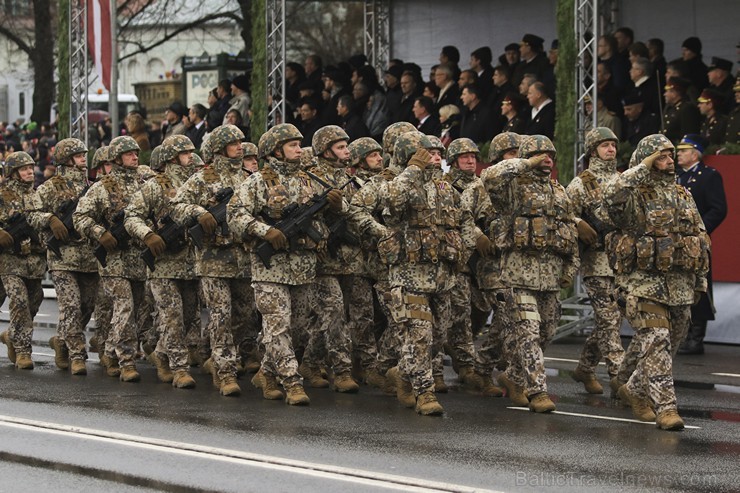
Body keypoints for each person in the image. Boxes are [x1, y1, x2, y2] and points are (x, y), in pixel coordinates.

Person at [369, 131, 484, 415]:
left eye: (437, 154)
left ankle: (403, 373)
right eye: (426, 153)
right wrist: (413, 170)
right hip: (409, 275)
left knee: (436, 338)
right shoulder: (399, 184)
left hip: (442, 277)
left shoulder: (445, 188)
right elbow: (391, 201)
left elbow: (465, 222)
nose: (434, 158)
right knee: (419, 335)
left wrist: (462, 254)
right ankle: (425, 393)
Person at [227, 123, 342, 405]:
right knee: (277, 326)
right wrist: (264, 231)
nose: (298, 150)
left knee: (298, 328)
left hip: (303, 267)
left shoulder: (311, 179)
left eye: (299, 144)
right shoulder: (257, 181)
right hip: (271, 269)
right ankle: (292, 382)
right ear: (276, 150)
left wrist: (337, 204)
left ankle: (267, 373)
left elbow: (343, 211)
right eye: (292, 145)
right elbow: (235, 214)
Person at [604, 134, 710, 431]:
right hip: (642, 284)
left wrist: (699, 280)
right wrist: (642, 167)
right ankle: (667, 409)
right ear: (647, 160)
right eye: (661, 156)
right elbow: (609, 196)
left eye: (670, 155)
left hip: (679, 286)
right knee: (657, 341)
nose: (669, 161)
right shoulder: (633, 193)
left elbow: (700, 238)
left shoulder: (682, 193)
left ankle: (635, 389)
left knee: (667, 346)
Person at [481, 135, 578, 413]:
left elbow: (569, 233)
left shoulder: (560, 192)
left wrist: (569, 271)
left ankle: (513, 376)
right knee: (529, 332)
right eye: (540, 154)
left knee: (546, 331)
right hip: (517, 275)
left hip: (550, 278)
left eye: (550, 153)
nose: (546, 158)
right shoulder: (511, 189)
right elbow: (488, 175)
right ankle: (538, 391)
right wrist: (524, 163)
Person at [170, 125, 257, 396]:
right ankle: (225, 371)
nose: (240, 146)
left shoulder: (249, 178)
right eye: (234, 143)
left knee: (245, 313)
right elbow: (176, 207)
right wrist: (199, 213)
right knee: (221, 314)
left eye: (241, 142)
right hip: (212, 258)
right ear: (220, 148)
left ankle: (211, 353)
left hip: (242, 257)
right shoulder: (201, 179)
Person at [123, 135, 201, 388]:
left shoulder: (198, 182)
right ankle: (179, 368)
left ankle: (162, 353)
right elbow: (132, 215)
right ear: (171, 157)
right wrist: (148, 234)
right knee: (172, 316)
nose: (190, 156)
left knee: (189, 315)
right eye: (185, 152)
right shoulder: (156, 185)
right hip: (164, 264)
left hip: (192, 262)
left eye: (191, 151)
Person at [73, 136, 150, 382]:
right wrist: (100, 233)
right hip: (114, 259)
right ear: (117, 159)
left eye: (136, 153)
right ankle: (126, 361)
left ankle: (109, 350)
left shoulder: (145, 184)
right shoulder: (102, 187)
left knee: (138, 310)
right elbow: (80, 217)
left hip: (139, 258)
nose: (135, 157)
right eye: (129, 154)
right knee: (124, 307)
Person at [565, 128, 625, 394]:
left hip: (621, 261)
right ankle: (620, 378)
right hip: (596, 261)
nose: (610, 150)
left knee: (611, 321)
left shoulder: (623, 180)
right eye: (604, 146)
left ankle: (585, 368)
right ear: (592, 151)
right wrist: (578, 222)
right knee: (609, 318)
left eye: (613, 145)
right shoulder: (581, 183)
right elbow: (562, 214)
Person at [34, 138, 98, 376]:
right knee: (70, 306)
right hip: (62, 258)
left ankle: (62, 340)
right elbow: (32, 212)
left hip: (89, 258)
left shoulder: (92, 186)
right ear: (66, 159)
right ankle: (77, 354)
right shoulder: (51, 187)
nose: (84, 158)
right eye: (79, 155)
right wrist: (49, 220)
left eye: (84, 154)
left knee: (87, 306)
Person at [674, 134, 727, 355]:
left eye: (682, 151)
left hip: (695, 241)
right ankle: (683, 334)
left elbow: (718, 209)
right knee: (680, 286)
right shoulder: (676, 177)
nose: (678, 154)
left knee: (699, 287)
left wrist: (699, 230)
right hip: (675, 242)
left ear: (695, 153)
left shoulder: (708, 176)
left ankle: (696, 337)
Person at [0, 152, 47, 370]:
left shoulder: (37, 195)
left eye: (31, 167)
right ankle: (22, 350)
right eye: (24, 168)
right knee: (18, 301)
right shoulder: (2, 194)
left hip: (34, 262)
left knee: (34, 301)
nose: (30, 172)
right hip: (9, 260)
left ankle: (12, 335)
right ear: (13, 173)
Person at [662, 77, 701, 144]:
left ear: (674, 93)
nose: (664, 94)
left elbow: (687, 133)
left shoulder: (687, 109)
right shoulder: (669, 108)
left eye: (667, 91)